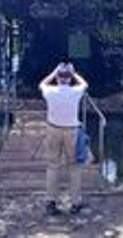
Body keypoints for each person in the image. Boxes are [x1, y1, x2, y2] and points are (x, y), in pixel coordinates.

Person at [38, 62, 88, 216]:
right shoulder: (75, 91)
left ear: (58, 78)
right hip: (72, 131)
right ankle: (75, 203)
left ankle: (51, 202)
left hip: (53, 129)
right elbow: (85, 84)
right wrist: (74, 73)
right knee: (74, 168)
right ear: (69, 78)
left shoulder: (50, 91)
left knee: (53, 166)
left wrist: (54, 72)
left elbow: (42, 84)